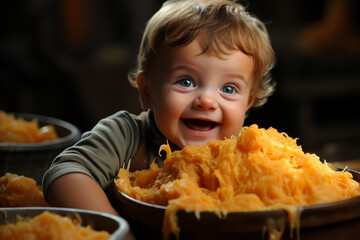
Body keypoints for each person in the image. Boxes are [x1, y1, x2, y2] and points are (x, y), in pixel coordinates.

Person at [42, 0, 275, 237]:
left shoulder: (249, 156)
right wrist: (119, 233)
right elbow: (65, 173)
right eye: (186, 82)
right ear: (147, 92)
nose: (207, 101)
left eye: (228, 89)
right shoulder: (127, 136)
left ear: (247, 104)